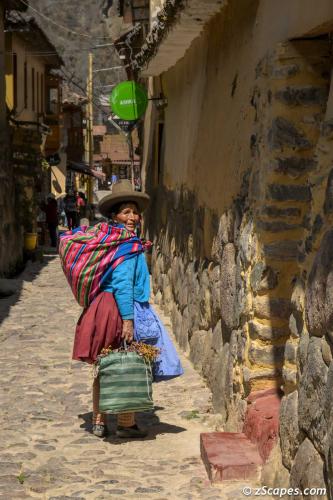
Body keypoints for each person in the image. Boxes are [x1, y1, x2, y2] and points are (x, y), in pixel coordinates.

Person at [70, 180, 183, 439]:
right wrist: (128, 320)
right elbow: (122, 284)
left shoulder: (112, 240)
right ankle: (125, 422)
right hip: (118, 309)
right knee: (127, 360)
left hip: (102, 308)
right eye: (126, 212)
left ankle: (99, 421)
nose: (132, 217)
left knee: (106, 363)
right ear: (115, 215)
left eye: (135, 212)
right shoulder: (125, 245)